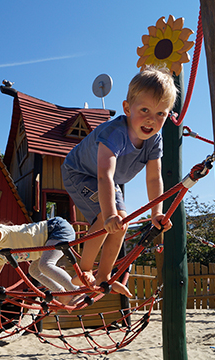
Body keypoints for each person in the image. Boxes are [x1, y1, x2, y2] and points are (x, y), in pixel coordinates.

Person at [61, 65, 177, 297]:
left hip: (107, 180)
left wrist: (156, 213)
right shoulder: (115, 133)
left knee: (121, 222)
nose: (151, 120)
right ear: (127, 108)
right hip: (80, 173)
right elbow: (104, 174)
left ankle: (104, 276)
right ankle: (83, 271)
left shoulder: (155, 141)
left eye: (160, 114)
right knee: (107, 217)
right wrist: (110, 213)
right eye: (144, 109)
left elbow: (154, 178)